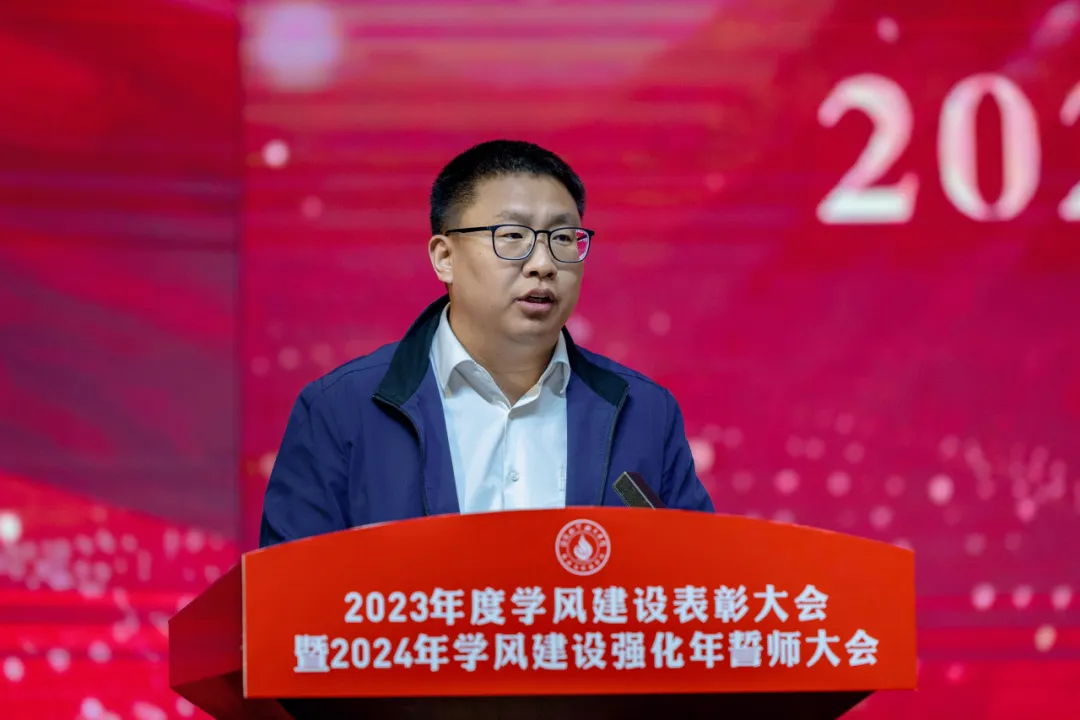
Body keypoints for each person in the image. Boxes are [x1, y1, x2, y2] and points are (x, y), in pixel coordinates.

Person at [259, 139, 714, 546]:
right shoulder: (341, 411)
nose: (543, 264)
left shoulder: (644, 413)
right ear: (444, 257)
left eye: (562, 238)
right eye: (512, 236)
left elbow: (698, 580)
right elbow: (289, 596)